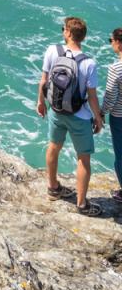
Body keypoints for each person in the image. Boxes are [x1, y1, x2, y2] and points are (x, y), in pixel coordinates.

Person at [37, 16, 103, 216]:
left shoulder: (52, 51)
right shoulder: (89, 63)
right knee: (83, 158)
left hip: (56, 110)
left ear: (67, 33)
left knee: (53, 146)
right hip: (79, 116)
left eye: (63, 29)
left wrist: (41, 102)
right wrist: (98, 118)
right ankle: (82, 204)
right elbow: (91, 97)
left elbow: (44, 81)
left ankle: (53, 188)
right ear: (82, 37)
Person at [101, 27, 122, 203]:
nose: (111, 44)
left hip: (119, 118)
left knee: (121, 155)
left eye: (111, 41)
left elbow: (110, 97)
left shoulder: (116, 68)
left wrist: (100, 113)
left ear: (119, 43)